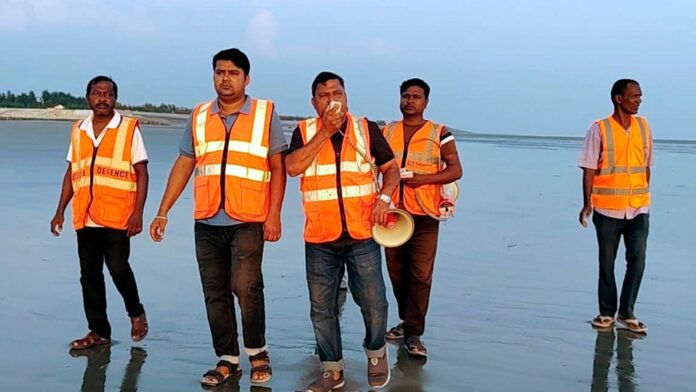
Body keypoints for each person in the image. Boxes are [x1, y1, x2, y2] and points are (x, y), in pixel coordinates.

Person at [148, 48, 287, 387]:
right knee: (214, 291)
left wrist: (274, 216)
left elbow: (278, 168)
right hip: (208, 220)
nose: (225, 78)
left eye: (233, 72)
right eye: (219, 72)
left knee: (246, 287)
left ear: (246, 78)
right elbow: (185, 164)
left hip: (249, 219)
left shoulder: (265, 114)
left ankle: (257, 352)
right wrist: (162, 211)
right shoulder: (198, 116)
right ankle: (228, 358)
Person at [286, 71, 400, 392]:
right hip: (320, 238)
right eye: (324, 95)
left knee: (374, 301)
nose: (332, 99)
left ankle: (376, 354)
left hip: (362, 233)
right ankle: (332, 370)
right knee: (322, 309)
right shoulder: (305, 130)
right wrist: (324, 133)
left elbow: (390, 170)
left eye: (337, 93)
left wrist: (385, 196)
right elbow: (293, 167)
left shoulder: (366, 130)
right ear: (314, 102)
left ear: (347, 96)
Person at [50, 75, 149, 350]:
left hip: (118, 214)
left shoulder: (128, 129)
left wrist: (138, 212)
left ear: (115, 98)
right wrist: (59, 211)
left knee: (118, 268)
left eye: (107, 93)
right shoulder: (79, 129)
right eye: (97, 93)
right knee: (89, 275)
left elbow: (142, 172)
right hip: (85, 215)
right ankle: (98, 331)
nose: (102, 98)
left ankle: (136, 312)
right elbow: (72, 172)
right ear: (88, 98)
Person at [381, 78, 462, 357]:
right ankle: (407, 320)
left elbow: (455, 170)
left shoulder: (439, 132)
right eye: (405, 96)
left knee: (421, 274)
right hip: (392, 213)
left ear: (425, 102)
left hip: (425, 215)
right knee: (396, 273)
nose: (410, 101)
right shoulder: (387, 131)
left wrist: (424, 179)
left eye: (416, 97)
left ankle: (414, 333)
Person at [578, 79, 652, 334]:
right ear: (619, 98)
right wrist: (587, 204)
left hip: (639, 207)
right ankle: (606, 313)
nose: (639, 100)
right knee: (607, 262)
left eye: (640, 96)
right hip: (608, 208)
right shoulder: (599, 129)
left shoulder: (644, 127)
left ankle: (627, 312)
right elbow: (589, 169)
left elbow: (646, 165)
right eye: (634, 96)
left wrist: (645, 194)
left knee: (638, 261)